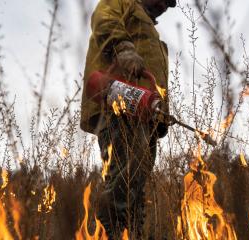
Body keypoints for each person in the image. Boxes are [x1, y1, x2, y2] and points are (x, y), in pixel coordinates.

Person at [80, 0, 176, 238]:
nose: (168, 5)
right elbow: (103, 18)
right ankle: (110, 232)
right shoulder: (123, 2)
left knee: (137, 183)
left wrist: (159, 112)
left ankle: (132, 233)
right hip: (121, 105)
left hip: (145, 113)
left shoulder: (149, 29)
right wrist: (123, 48)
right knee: (124, 177)